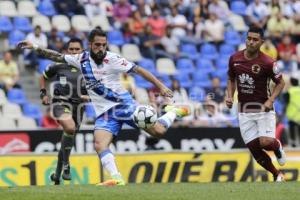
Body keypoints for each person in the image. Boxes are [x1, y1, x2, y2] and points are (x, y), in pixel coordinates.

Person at [18, 28, 190, 186]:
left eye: (103, 45)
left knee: (158, 132)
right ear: (90, 45)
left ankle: (173, 112)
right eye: (97, 45)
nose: (101, 48)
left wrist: (161, 87)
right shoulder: (81, 59)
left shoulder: (113, 59)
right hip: (105, 114)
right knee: (100, 144)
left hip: (124, 106)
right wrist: (34, 46)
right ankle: (117, 178)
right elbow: (55, 56)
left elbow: (139, 70)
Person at [226, 26, 286, 182]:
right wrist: (229, 96)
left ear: (261, 42)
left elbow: (280, 83)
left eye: (255, 39)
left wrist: (270, 100)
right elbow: (231, 79)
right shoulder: (234, 58)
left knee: (265, 142)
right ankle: (277, 174)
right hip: (244, 111)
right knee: (255, 149)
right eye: (249, 38)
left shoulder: (268, 62)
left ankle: (277, 146)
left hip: (263, 110)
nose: (251, 42)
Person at [39, 38, 88, 185]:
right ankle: (67, 165)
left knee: (67, 140)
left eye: (76, 49)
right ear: (67, 51)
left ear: (82, 51)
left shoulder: (87, 68)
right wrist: (44, 93)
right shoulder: (58, 65)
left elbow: (93, 91)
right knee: (70, 127)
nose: (73, 52)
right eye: (71, 49)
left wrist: (89, 97)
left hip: (78, 107)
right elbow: (43, 77)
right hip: (60, 103)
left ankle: (57, 176)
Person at [283, 77, 300, 147]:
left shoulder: (289, 91)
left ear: (291, 83)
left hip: (292, 114)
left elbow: (285, 102)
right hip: (299, 114)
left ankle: (293, 143)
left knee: (292, 129)